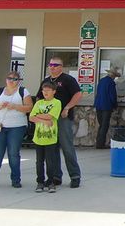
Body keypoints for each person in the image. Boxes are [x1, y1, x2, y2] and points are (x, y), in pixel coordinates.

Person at [37, 56, 82, 188]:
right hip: (48, 119)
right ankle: (56, 177)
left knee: (67, 147)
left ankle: (75, 176)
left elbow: (78, 94)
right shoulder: (46, 81)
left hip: (63, 119)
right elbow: (39, 97)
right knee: (52, 149)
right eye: (50, 64)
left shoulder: (68, 79)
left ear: (61, 67)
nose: (52, 67)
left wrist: (67, 107)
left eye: (56, 65)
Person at [0, 71, 33, 188]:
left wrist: (15, 106)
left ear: (19, 81)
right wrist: (0, 106)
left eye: (15, 79)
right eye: (10, 78)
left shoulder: (23, 91)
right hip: (0, 126)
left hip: (17, 126)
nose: (12, 81)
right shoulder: (0, 91)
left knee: (13, 153)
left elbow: (29, 108)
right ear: (6, 79)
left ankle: (15, 179)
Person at [29, 80, 62, 193]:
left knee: (50, 161)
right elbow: (31, 117)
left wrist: (38, 116)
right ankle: (40, 182)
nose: (45, 93)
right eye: (44, 91)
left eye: (48, 90)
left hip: (50, 137)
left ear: (54, 91)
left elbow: (50, 116)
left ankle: (51, 181)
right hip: (38, 137)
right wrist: (43, 120)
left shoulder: (57, 102)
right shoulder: (38, 103)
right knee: (39, 161)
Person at [94, 68, 119, 149]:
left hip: (98, 105)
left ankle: (98, 142)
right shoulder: (111, 83)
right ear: (113, 75)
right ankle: (101, 144)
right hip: (106, 106)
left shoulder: (101, 81)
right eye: (115, 76)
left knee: (101, 125)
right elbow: (112, 96)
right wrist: (115, 105)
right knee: (104, 125)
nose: (115, 78)